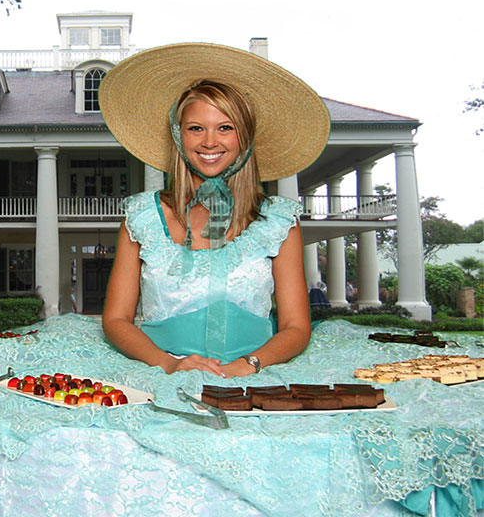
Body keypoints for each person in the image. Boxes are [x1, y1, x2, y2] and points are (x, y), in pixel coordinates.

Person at [98, 43, 330, 377]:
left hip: (254, 373)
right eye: (196, 128)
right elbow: (116, 320)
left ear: (245, 138)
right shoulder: (142, 218)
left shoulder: (279, 221)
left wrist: (247, 365)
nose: (210, 142)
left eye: (225, 127)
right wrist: (169, 363)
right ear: (179, 137)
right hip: (160, 373)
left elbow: (295, 327)